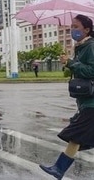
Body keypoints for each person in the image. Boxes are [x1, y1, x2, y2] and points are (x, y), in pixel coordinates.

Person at [39, 14, 94, 179]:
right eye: (71, 27)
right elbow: (78, 71)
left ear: (87, 29)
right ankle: (58, 169)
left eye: (76, 27)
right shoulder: (81, 46)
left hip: (92, 102)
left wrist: (71, 63)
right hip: (86, 101)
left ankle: (59, 169)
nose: (73, 30)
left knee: (77, 134)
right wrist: (68, 64)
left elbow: (91, 71)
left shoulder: (90, 46)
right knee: (79, 136)